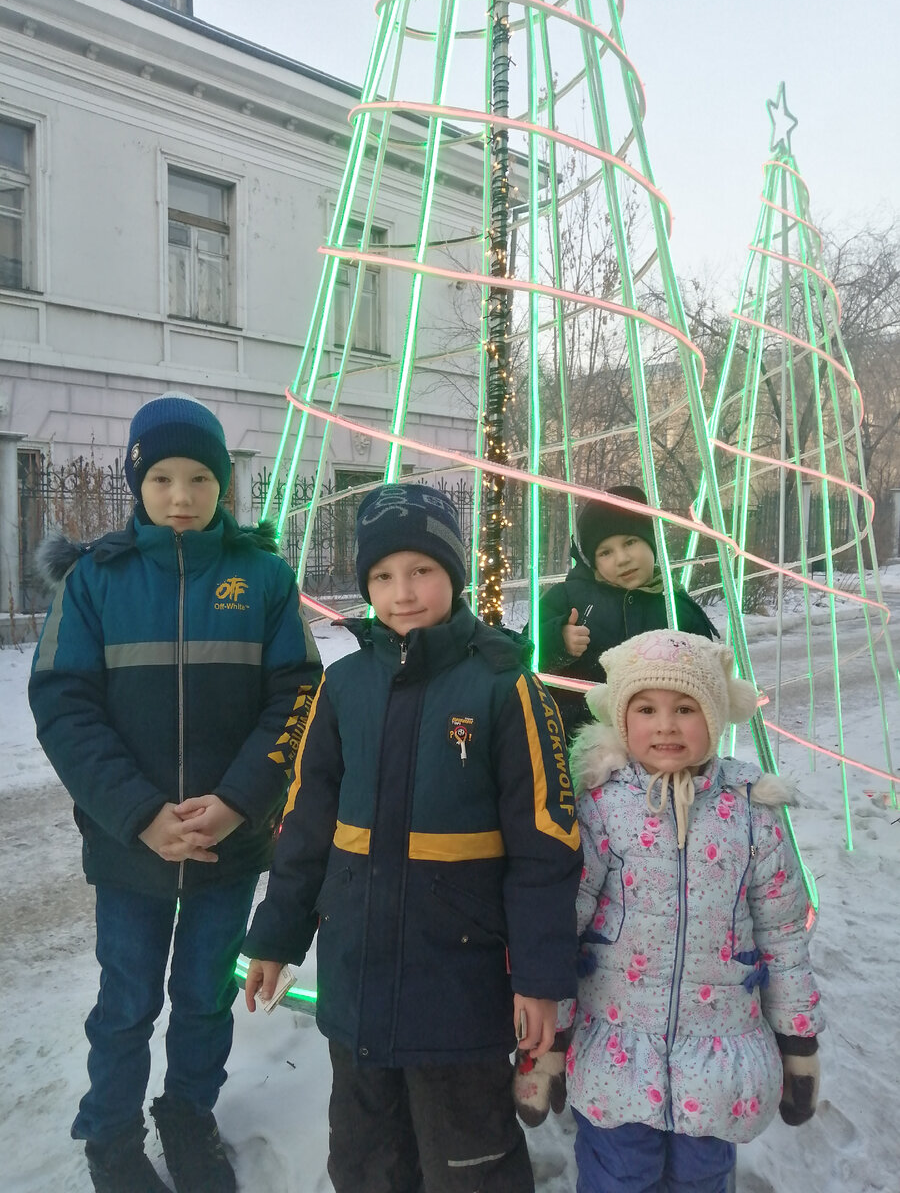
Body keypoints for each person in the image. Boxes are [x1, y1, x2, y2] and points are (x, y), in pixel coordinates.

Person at [242, 483, 583, 1193]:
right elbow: (306, 824)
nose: (403, 592)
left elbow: (544, 846)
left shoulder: (503, 686)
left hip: (458, 985)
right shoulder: (343, 688)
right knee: (368, 1160)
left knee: (469, 1161)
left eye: (422, 571)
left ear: (453, 576)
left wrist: (543, 980)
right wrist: (276, 937)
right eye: (384, 576)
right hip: (358, 979)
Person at [28, 392, 322, 1193]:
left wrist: (239, 801)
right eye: (163, 479)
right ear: (138, 484)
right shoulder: (97, 580)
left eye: (200, 478)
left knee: (201, 999)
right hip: (132, 852)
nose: (183, 497)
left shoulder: (261, 576)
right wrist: (141, 816)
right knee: (126, 1002)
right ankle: (111, 1138)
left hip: (231, 845)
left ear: (224, 484)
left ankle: (189, 1116)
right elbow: (63, 701)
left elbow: (296, 694)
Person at [561, 629, 823, 1193]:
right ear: (622, 718)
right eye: (647, 709)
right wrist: (551, 1041)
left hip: (720, 1054)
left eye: (685, 708)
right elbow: (565, 921)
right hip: (618, 1047)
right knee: (619, 1176)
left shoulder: (750, 809)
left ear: (715, 715)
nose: (666, 725)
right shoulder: (602, 806)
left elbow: (782, 931)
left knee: (702, 1177)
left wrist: (798, 1041)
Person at [536, 486, 718, 739]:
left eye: (630, 542)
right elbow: (527, 649)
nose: (622, 559)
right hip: (579, 739)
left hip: (660, 740)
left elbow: (707, 673)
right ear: (593, 561)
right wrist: (558, 639)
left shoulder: (675, 605)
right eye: (605, 552)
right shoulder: (569, 597)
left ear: (651, 542)